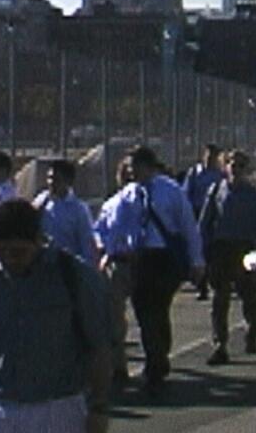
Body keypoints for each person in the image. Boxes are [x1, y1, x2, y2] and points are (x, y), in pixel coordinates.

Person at [0, 198, 112, 433]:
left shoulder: (72, 276)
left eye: (18, 252)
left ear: (38, 240)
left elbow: (99, 345)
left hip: (59, 407)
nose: (9, 259)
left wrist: (99, 409)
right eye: (1, 251)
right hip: (0, 405)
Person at [123, 146, 204, 397]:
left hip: (164, 257)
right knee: (143, 310)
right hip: (140, 258)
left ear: (147, 166)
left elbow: (188, 226)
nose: (131, 172)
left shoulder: (170, 191)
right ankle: (156, 356)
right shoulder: (128, 194)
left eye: (135, 166)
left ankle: (156, 362)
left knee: (156, 309)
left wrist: (196, 260)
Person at [199, 150, 256, 364]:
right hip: (221, 250)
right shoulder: (216, 191)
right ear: (225, 167)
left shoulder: (254, 196)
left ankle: (252, 332)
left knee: (249, 296)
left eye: (240, 165)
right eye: (232, 164)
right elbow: (205, 223)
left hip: (245, 249)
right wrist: (202, 251)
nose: (235, 168)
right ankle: (219, 344)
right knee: (219, 299)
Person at [93, 158, 143, 383]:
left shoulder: (144, 202)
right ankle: (119, 364)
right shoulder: (110, 204)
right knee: (114, 318)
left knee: (147, 314)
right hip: (117, 262)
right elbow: (99, 232)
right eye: (123, 173)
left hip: (141, 261)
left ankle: (153, 358)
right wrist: (103, 252)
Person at [34, 159, 98, 264]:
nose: (51, 183)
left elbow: (87, 244)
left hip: (68, 266)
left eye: (56, 179)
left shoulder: (79, 209)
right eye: (49, 178)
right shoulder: (41, 201)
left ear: (68, 181)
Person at [182, 144, 222, 300]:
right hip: (197, 212)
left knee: (211, 249)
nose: (210, 159)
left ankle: (211, 281)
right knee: (199, 248)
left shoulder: (218, 175)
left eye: (213, 156)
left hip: (213, 214)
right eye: (208, 155)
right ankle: (202, 285)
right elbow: (186, 193)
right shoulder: (195, 173)